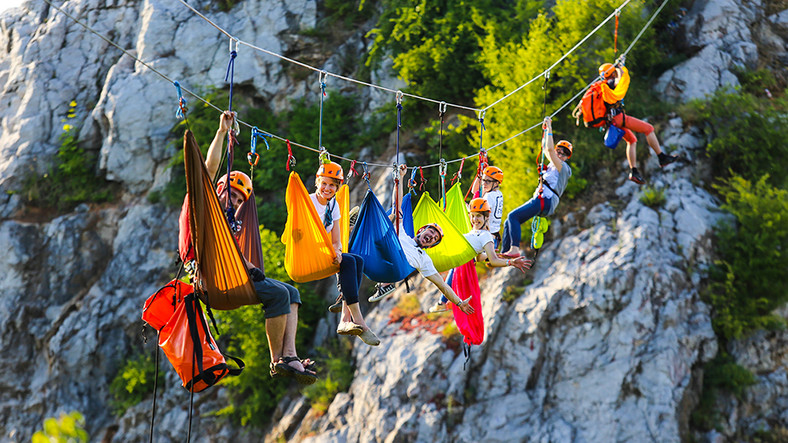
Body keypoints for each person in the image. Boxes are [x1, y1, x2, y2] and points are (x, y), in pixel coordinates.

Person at [178, 111, 316, 384]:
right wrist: (221, 132)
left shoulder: (226, 225)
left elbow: (232, 254)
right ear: (217, 189)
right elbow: (209, 167)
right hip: (210, 283)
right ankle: (277, 361)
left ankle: (290, 355)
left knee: (291, 291)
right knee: (277, 295)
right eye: (231, 193)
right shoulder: (201, 206)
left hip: (227, 277)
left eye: (240, 199)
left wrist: (252, 269)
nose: (235, 201)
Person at [369, 165, 476, 315]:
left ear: (432, 245)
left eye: (434, 238)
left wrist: (459, 302)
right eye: (431, 232)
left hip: (399, 266)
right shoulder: (403, 234)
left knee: (389, 227)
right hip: (383, 256)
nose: (431, 236)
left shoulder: (424, 260)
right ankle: (383, 282)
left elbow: (442, 285)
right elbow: (397, 204)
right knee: (393, 216)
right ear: (421, 230)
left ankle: (386, 282)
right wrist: (399, 178)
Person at [309, 161, 380, 346]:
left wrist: (338, 250)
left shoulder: (333, 206)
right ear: (318, 182)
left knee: (356, 260)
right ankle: (359, 322)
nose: (327, 188)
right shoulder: (308, 202)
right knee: (349, 262)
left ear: (337, 187)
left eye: (332, 185)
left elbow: (336, 240)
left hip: (325, 252)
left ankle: (344, 319)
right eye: (324, 183)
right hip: (309, 251)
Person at [428, 198, 532, 313]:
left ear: (486, 217)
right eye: (472, 216)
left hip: (449, 257)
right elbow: (477, 257)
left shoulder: (486, 236)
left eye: (478, 216)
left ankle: (441, 303)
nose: (474, 220)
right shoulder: (473, 232)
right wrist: (488, 255)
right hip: (445, 251)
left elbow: (493, 261)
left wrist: (510, 262)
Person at [597, 60, 678, 184]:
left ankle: (633, 171)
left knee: (632, 140)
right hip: (618, 118)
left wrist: (619, 66)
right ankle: (662, 157)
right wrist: (620, 67)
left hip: (611, 121)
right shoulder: (611, 83)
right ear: (612, 74)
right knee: (649, 129)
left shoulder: (601, 87)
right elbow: (621, 80)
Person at [500, 118, 571, 258]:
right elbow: (546, 149)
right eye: (559, 151)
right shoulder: (552, 165)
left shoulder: (563, 168)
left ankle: (514, 249)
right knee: (509, 221)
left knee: (513, 216)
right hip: (543, 200)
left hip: (546, 200)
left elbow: (550, 150)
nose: (560, 155)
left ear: (567, 157)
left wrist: (550, 127)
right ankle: (504, 253)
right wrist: (545, 132)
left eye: (564, 153)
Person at [469, 166, 504, 248]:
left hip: (487, 237)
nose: (484, 184)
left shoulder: (488, 196)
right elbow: (475, 191)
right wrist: (480, 175)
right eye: (483, 180)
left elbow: (479, 213)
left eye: (487, 181)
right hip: (495, 235)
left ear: (496, 183)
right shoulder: (499, 194)